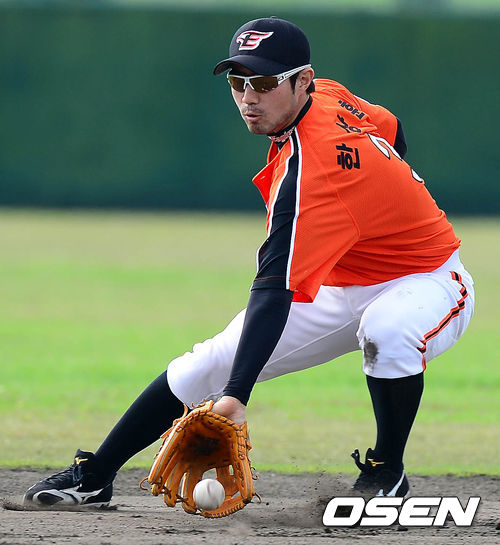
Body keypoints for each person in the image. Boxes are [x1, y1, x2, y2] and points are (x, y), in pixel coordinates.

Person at [24, 16, 474, 507]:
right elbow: (391, 127)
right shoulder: (327, 95)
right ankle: (95, 476)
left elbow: (274, 291)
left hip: (426, 279)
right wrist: (384, 193)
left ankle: (387, 472)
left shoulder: (311, 173)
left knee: (388, 330)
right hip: (340, 284)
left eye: (263, 83)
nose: (248, 97)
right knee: (205, 366)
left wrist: (237, 396)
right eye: (238, 82)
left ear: (303, 81)